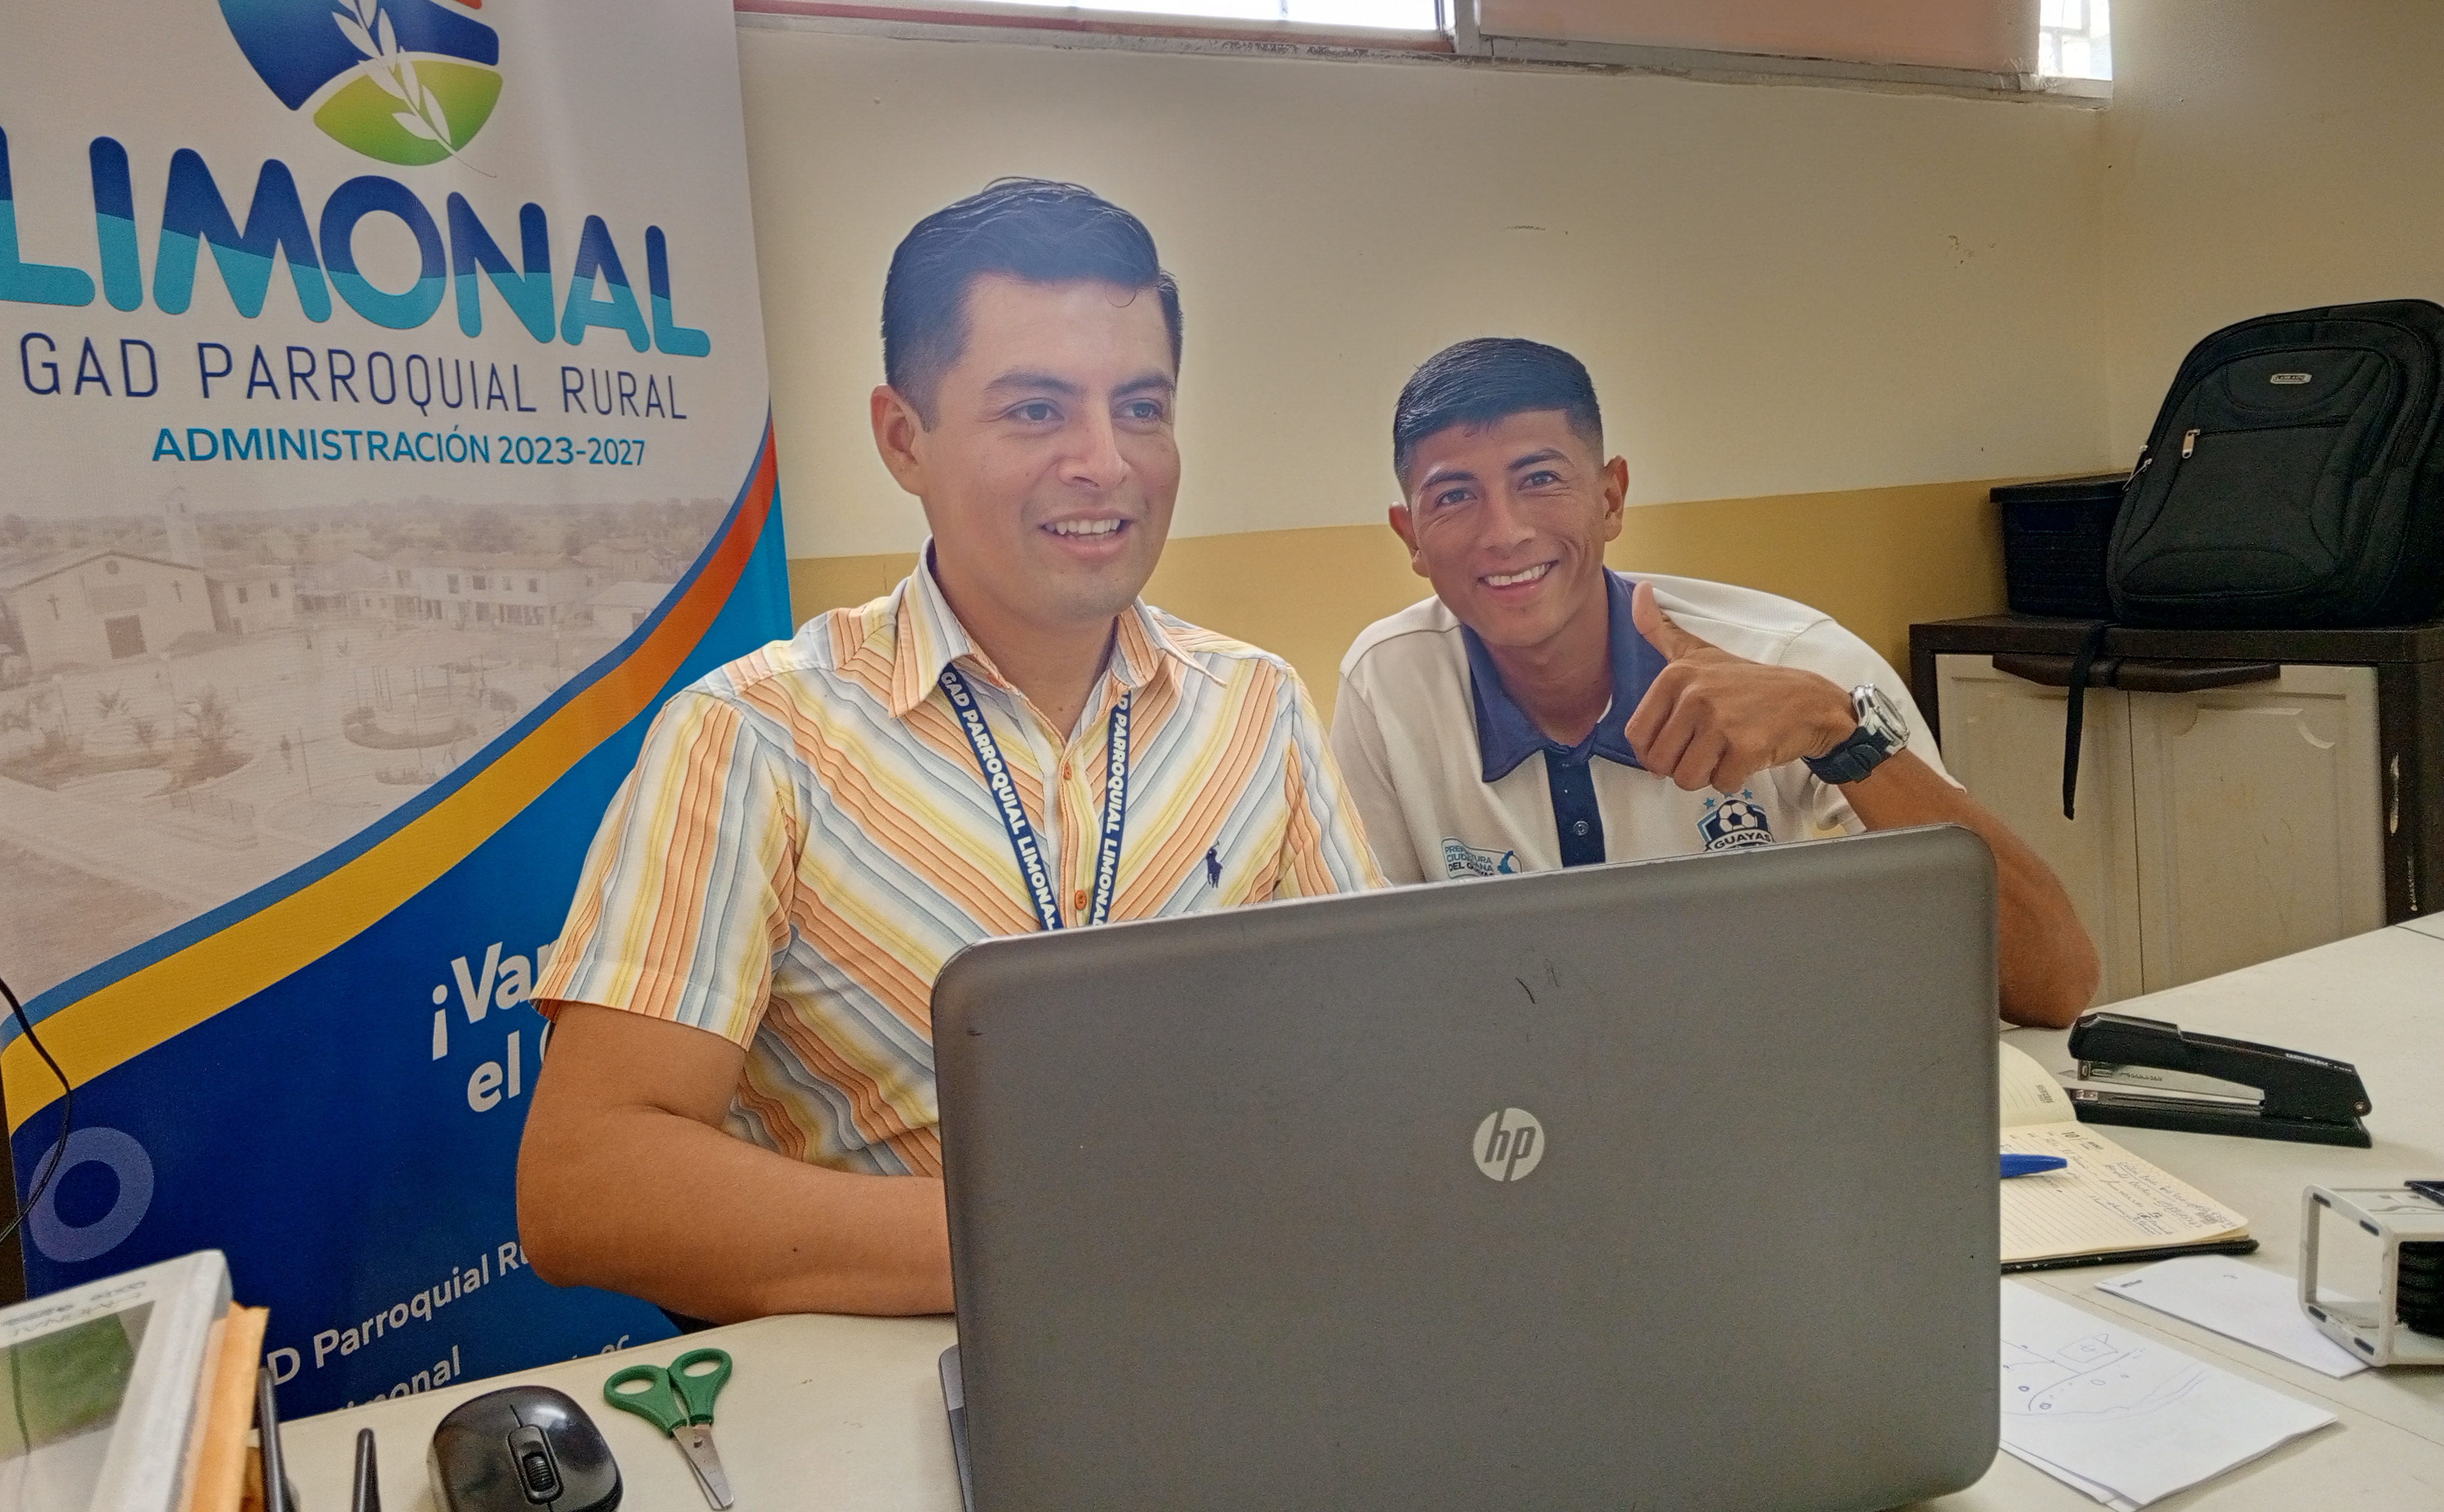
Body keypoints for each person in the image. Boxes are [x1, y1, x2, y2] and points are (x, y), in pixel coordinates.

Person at [518, 180, 1381, 1321]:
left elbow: (1370, 1049)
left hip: (1233, 1321)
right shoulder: (756, 737)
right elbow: (589, 1183)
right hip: (912, 1376)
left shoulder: (1256, 706)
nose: (1104, 462)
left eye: (1140, 407)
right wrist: (1062, 1237)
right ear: (903, 438)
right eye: (1035, 411)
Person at [1331, 337, 2099, 1028]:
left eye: (1539, 478)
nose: (1504, 532)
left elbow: (2050, 987)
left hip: (1771, 1081)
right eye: (1454, 496)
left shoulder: (1795, 660)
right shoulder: (1386, 683)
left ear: (1609, 498)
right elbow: (1366, 985)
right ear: (1411, 537)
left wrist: (1838, 731)